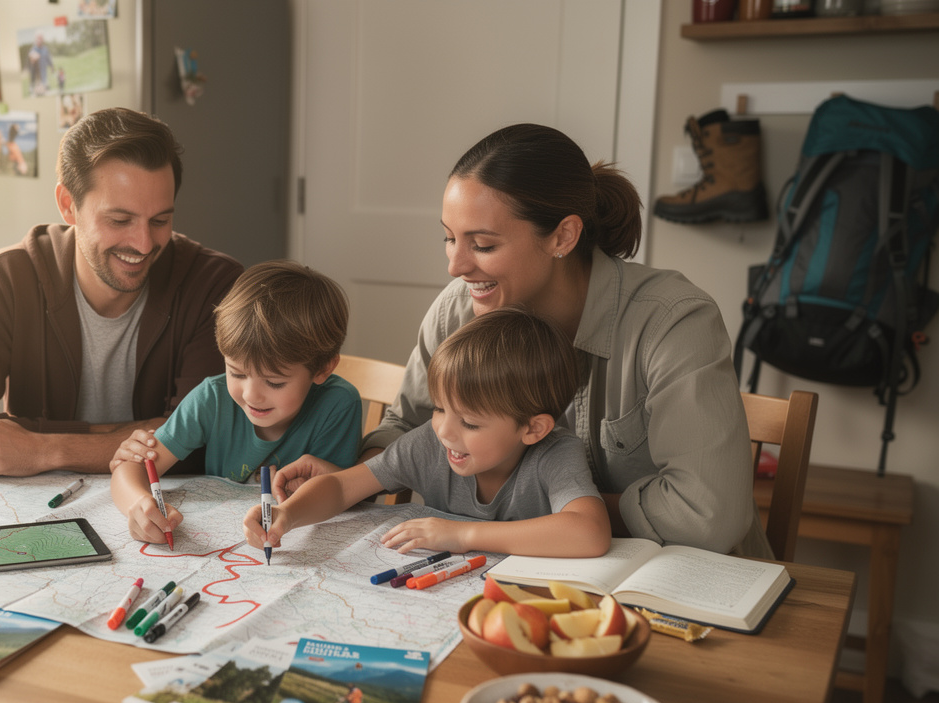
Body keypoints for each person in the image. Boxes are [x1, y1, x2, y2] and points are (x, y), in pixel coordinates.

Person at [274, 123, 771, 558]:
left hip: (679, 581)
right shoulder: (457, 308)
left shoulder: (671, 322)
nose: (455, 265)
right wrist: (354, 476)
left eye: (483, 245)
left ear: (562, 236)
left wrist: (548, 507)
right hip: (518, 571)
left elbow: (707, 516)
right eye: (450, 237)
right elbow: (408, 431)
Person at [0, 107, 243, 476]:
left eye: (160, 221)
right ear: (68, 205)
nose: (143, 243)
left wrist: (44, 448)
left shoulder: (215, 285)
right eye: (120, 220)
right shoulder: (6, 279)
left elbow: (208, 438)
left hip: (162, 510)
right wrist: (138, 432)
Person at [244, 308, 610, 558]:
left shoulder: (556, 453)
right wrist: (286, 515)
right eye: (439, 408)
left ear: (533, 428)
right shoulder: (429, 444)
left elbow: (589, 531)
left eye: (470, 423)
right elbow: (342, 486)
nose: (445, 431)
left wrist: (461, 535)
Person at [111, 261, 363, 545]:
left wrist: (332, 478)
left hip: (297, 541)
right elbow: (130, 468)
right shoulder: (212, 397)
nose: (251, 395)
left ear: (322, 370)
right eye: (237, 373)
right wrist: (139, 504)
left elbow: (349, 492)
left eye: (275, 382)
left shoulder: (338, 404)